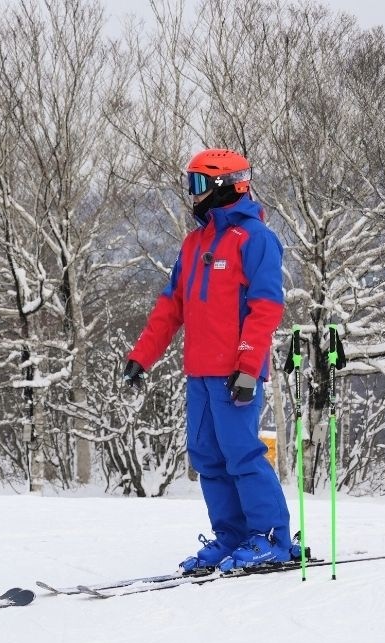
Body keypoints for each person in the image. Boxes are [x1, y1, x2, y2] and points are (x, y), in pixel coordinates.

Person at [123, 148, 298, 574]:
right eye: (191, 184)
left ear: (225, 185)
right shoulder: (194, 243)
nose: (193, 194)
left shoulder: (255, 239)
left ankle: (271, 538)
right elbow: (171, 307)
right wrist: (141, 357)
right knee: (206, 456)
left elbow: (266, 306)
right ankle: (233, 537)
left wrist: (247, 364)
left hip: (235, 372)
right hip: (198, 373)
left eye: (199, 184)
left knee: (241, 454)